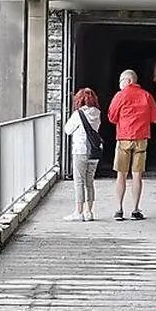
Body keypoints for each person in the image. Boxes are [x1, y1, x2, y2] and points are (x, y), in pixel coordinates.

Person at [107, 69, 156, 221]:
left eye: (121, 81)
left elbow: (111, 117)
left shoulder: (120, 95)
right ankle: (135, 210)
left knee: (121, 174)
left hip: (123, 138)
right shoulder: (146, 96)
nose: (120, 85)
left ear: (128, 81)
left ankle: (119, 209)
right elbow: (154, 118)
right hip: (141, 139)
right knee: (137, 175)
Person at [62, 87, 102, 221]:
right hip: (94, 152)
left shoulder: (78, 114)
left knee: (79, 181)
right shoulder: (97, 113)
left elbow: (67, 130)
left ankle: (78, 212)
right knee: (89, 181)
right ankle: (89, 212)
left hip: (80, 151)